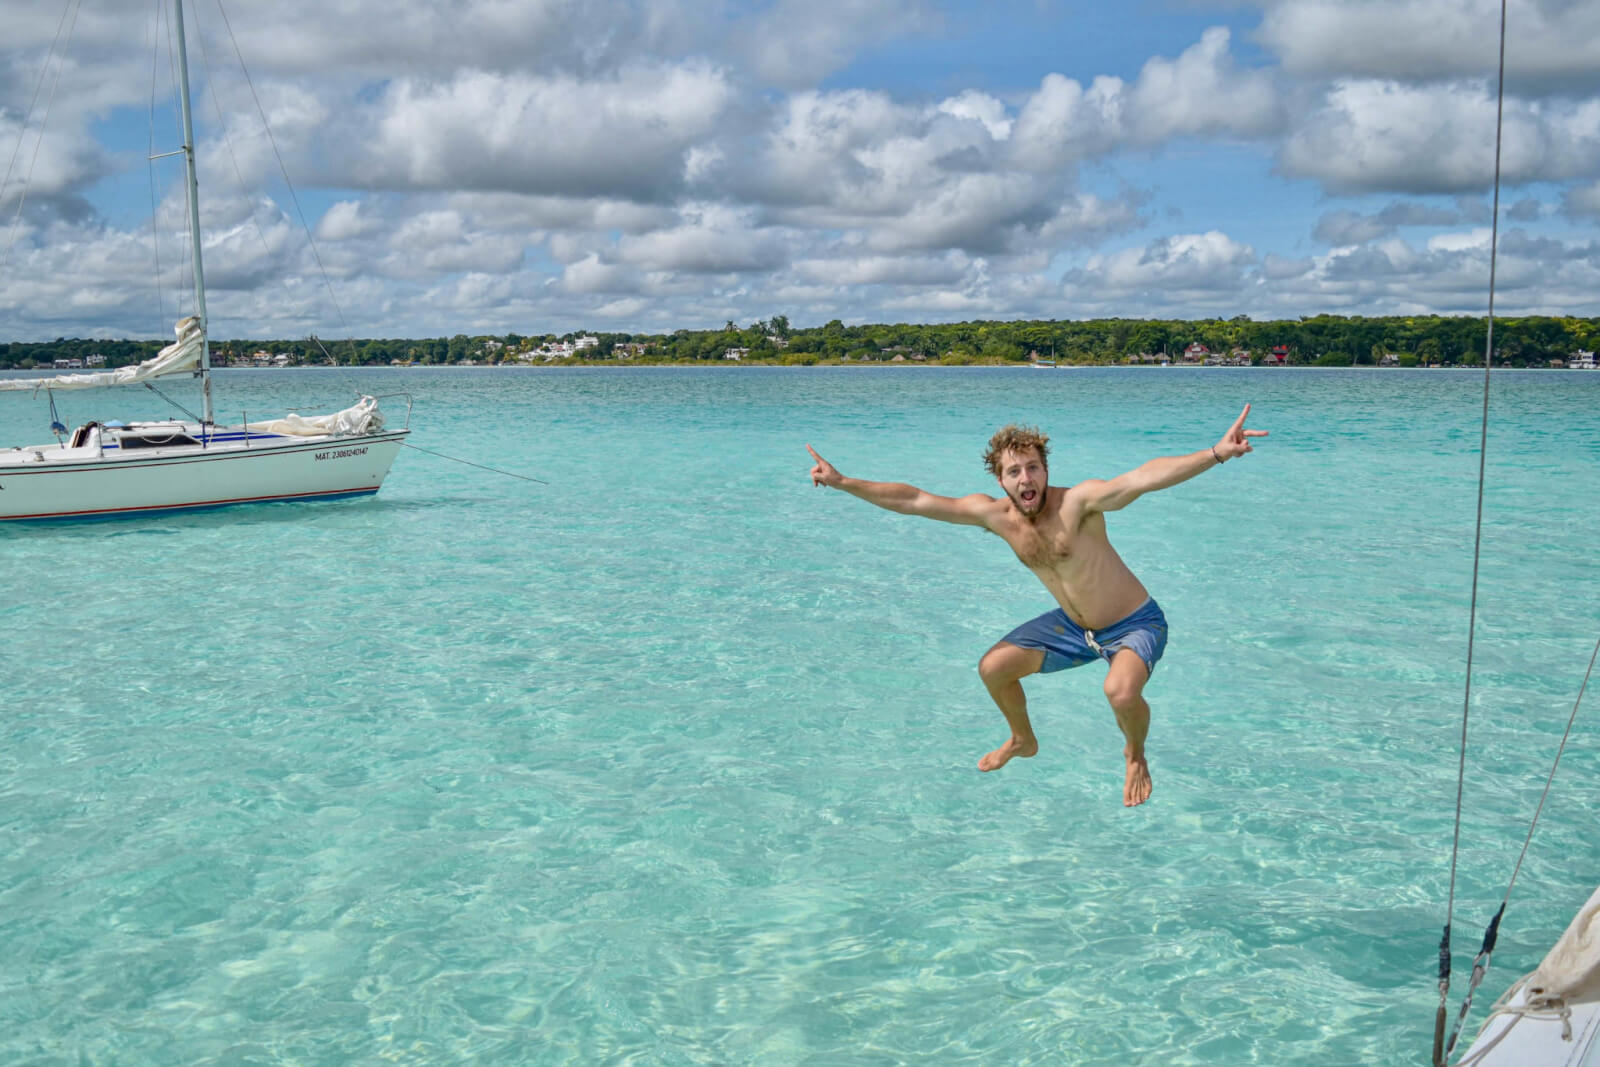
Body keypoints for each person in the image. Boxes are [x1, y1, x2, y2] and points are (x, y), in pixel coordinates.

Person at [806, 405, 1266, 807]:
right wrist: (843, 482)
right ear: (999, 479)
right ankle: (1023, 739)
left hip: (1134, 624)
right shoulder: (995, 517)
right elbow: (915, 500)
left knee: (1120, 693)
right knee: (994, 669)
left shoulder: (1079, 504)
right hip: (1074, 628)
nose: (1025, 479)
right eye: (1013, 471)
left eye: (1032, 467)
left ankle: (1135, 754)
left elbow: (1142, 478)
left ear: (1046, 470)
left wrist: (1215, 454)